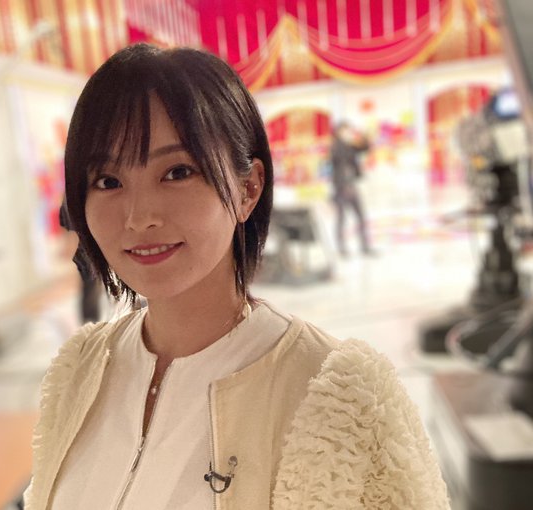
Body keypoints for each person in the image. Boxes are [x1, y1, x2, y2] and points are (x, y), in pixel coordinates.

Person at [25, 44, 449, 509]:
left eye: (177, 172)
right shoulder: (79, 372)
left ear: (248, 188)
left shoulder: (343, 402)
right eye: (108, 181)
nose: (139, 217)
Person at [329, 121, 375, 256]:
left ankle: (364, 246)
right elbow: (340, 162)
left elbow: (364, 148)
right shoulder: (336, 146)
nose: (348, 133)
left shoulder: (348, 145)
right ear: (339, 132)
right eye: (346, 130)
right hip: (342, 187)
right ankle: (342, 248)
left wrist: (364, 136)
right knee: (342, 218)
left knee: (359, 216)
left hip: (350, 186)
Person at [59, 198, 103, 323]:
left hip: (88, 245)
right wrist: (69, 243)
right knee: (90, 283)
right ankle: (90, 319)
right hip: (85, 246)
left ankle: (90, 319)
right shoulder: (72, 197)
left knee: (92, 284)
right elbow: (69, 225)